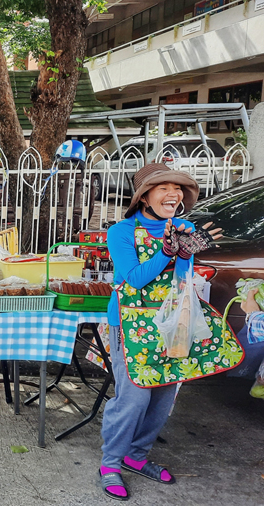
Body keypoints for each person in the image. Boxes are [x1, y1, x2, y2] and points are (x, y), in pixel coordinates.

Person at [99, 163, 242, 501]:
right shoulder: (120, 231)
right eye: (163, 187)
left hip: (173, 322)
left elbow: (181, 281)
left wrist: (183, 254)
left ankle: (136, 455)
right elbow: (133, 278)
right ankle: (110, 463)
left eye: (177, 188)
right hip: (130, 324)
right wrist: (167, 252)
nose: (173, 193)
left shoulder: (184, 227)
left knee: (163, 396)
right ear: (144, 196)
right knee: (134, 398)